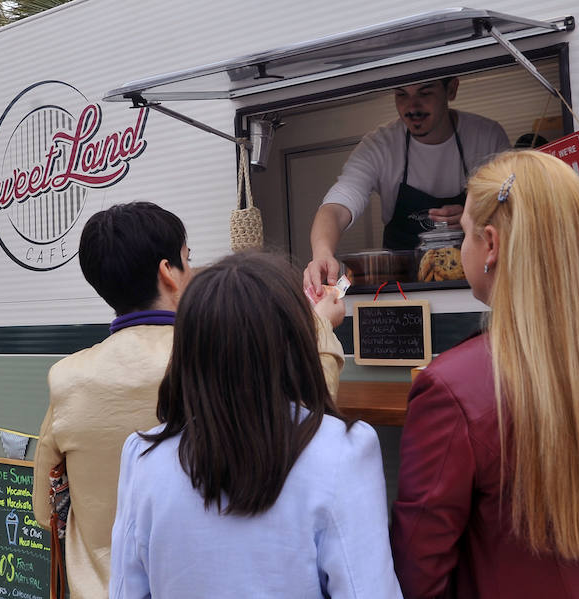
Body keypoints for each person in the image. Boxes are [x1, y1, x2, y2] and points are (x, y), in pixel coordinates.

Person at [391, 151, 579, 598]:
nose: (463, 250)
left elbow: (417, 573)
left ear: (491, 245)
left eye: (465, 236)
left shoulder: (452, 388)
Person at [31, 203, 347, 598]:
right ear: (169, 274)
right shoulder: (216, 358)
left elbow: (45, 511)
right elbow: (305, 420)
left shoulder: (66, 378)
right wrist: (317, 327)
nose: (193, 270)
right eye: (188, 258)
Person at [109, 252, 402, 599]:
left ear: (188, 348)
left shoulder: (143, 456)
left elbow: (128, 591)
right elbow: (365, 590)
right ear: (294, 341)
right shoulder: (344, 451)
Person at [304, 77, 510, 294]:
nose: (412, 107)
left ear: (451, 90)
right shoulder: (380, 146)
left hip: (474, 288)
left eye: (425, 92)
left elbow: (512, 212)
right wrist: (321, 254)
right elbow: (336, 208)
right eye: (402, 94)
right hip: (401, 293)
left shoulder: (487, 136)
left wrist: (475, 218)